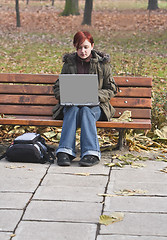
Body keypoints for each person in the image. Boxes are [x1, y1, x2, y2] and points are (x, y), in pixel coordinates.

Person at [53, 31, 118, 167]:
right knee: (74, 110)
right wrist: (65, 95)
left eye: (86, 47)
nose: (83, 51)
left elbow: (111, 89)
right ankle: (65, 152)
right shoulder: (69, 64)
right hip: (73, 105)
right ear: (75, 47)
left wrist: (94, 96)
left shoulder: (102, 65)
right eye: (79, 48)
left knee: (86, 111)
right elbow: (58, 87)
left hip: (97, 107)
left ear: (92, 46)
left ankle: (91, 153)